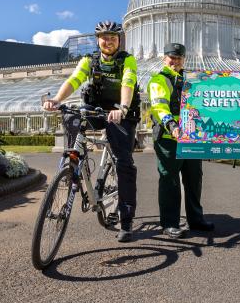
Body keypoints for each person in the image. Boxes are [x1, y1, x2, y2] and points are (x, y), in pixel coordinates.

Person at [43, 20, 140, 243]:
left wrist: (123, 107)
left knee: (124, 164)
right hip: (95, 110)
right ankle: (73, 164)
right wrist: (57, 100)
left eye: (112, 38)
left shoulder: (127, 60)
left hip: (120, 113)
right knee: (71, 116)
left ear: (118, 41)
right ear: (98, 40)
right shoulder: (89, 60)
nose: (108, 41)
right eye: (104, 38)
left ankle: (126, 220)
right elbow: (74, 79)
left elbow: (128, 82)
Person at [147, 42, 214, 239]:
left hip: (191, 138)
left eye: (178, 58)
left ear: (183, 59)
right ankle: (169, 223)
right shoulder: (159, 80)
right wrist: (171, 125)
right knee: (170, 179)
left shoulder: (192, 80)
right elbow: (159, 107)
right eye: (171, 57)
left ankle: (196, 219)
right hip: (169, 137)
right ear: (164, 58)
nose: (175, 61)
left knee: (194, 178)